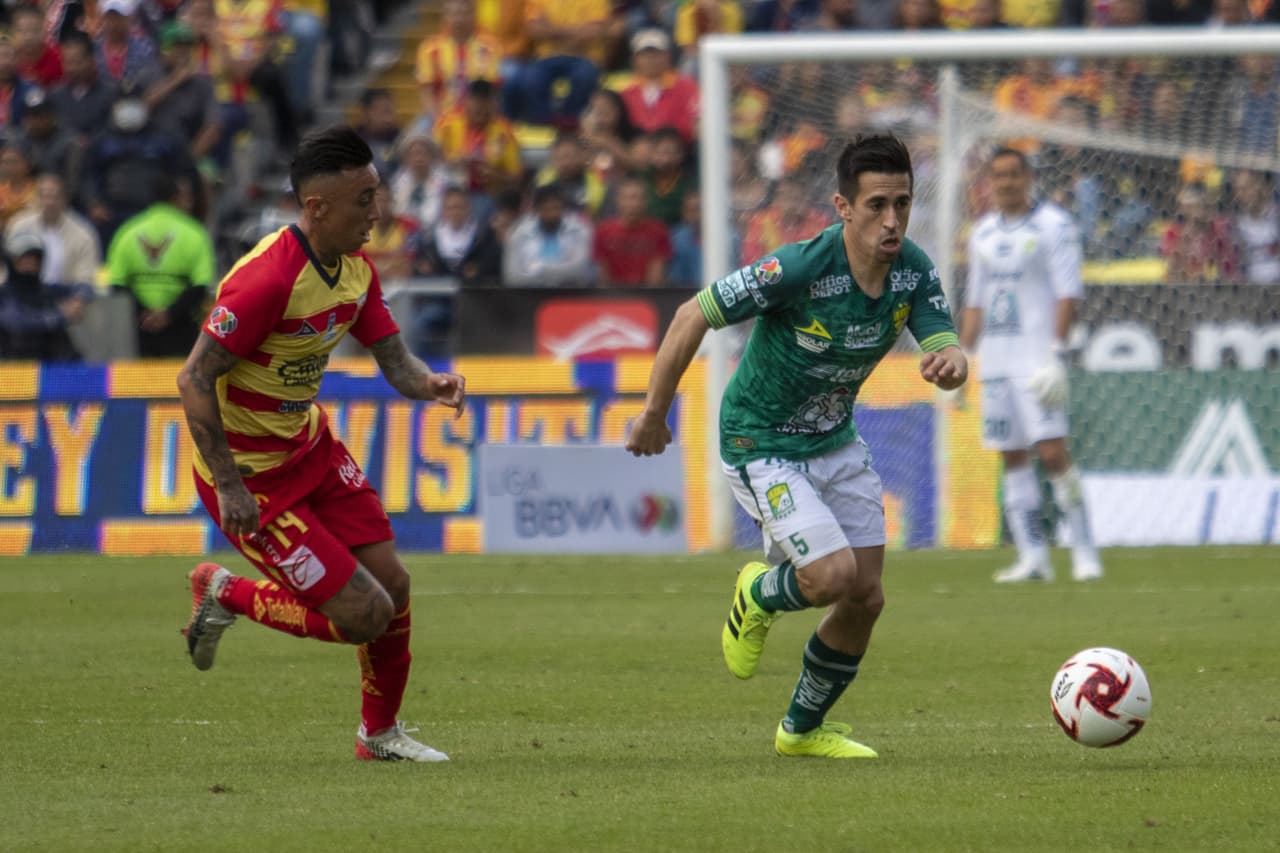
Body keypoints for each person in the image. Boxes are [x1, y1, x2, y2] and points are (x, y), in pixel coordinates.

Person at [625, 133, 967, 758]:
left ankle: (801, 731)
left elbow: (945, 342)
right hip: (759, 439)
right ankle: (756, 593)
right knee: (830, 576)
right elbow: (690, 316)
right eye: (876, 206)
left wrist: (951, 362)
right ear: (843, 206)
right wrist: (654, 413)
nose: (892, 220)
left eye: (903, 203)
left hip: (833, 438)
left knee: (867, 596)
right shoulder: (800, 266)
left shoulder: (913, 268)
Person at [177, 126, 466, 762]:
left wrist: (430, 383)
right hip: (252, 479)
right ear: (317, 208)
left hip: (311, 451)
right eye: (363, 200)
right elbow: (194, 377)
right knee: (365, 613)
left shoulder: (356, 272)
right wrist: (228, 484)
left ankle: (380, 736)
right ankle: (226, 593)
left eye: (377, 195)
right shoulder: (266, 282)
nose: (376, 212)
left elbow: (395, 361)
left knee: (394, 584)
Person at [958, 147, 1103, 584]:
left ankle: (1084, 549)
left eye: (1012, 175)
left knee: (1053, 453)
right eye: (997, 176)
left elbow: (1068, 294)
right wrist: (963, 357)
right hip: (996, 362)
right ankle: (1033, 556)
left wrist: (1057, 354)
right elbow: (975, 302)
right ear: (988, 182)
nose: (1004, 183)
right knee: (1013, 457)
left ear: (1028, 178)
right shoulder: (981, 232)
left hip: (1037, 362)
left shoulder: (1054, 226)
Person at [107, 175, 217, 356]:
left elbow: (116, 284)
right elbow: (201, 285)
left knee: (136, 383)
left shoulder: (127, 231)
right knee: (175, 381)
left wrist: (144, 313)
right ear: (176, 198)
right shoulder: (195, 233)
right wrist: (169, 314)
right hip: (181, 327)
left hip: (137, 331)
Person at [0, 229, 87, 360]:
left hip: (49, 369)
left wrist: (79, 299)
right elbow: (17, 321)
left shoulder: (46, 291)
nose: (29, 266)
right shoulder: (4, 295)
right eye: (23, 260)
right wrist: (60, 316)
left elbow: (82, 287)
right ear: (11, 262)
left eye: (34, 261)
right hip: (13, 371)